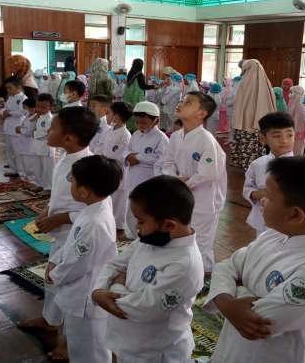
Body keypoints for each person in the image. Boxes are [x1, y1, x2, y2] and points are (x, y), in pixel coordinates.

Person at [205, 156, 305, 363]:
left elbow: (257, 321)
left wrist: (232, 289)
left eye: (270, 197)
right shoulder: (274, 234)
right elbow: (226, 266)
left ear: (295, 215)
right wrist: (230, 303)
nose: (263, 200)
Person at [92, 175, 204, 362]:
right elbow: (114, 264)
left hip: (154, 350)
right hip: (128, 338)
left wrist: (114, 289)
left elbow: (145, 308)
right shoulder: (151, 238)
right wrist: (99, 289)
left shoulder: (185, 264)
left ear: (169, 224)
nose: (137, 227)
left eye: (141, 221)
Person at [20, 107, 98, 358]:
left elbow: (93, 209)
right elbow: (61, 195)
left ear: (69, 138)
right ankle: (50, 320)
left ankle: (67, 342)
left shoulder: (88, 167)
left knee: (68, 285)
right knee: (52, 278)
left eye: (52, 127)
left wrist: (59, 218)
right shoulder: (65, 157)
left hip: (77, 234)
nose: (47, 131)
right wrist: (47, 210)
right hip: (62, 230)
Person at [47, 155, 120, 363]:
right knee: (82, 345)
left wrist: (55, 274)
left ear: (84, 191)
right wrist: (56, 260)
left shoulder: (93, 222)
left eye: (73, 180)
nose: (70, 182)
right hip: (84, 289)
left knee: (90, 350)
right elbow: (72, 244)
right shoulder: (98, 205)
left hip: (84, 297)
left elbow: (77, 264)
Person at [161, 92, 226, 276]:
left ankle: (204, 278)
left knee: (201, 241)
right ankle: (184, 273)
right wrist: (173, 178)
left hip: (204, 201)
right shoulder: (176, 136)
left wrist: (185, 183)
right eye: (181, 100)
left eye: (188, 103)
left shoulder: (207, 140)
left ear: (201, 114)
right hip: (181, 196)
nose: (181, 103)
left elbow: (208, 173)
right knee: (182, 237)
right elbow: (167, 163)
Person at [123, 101, 169, 239]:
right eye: (138, 123)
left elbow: (163, 159)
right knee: (131, 213)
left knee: (146, 212)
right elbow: (127, 150)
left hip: (148, 180)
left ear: (156, 121)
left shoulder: (161, 138)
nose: (140, 126)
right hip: (133, 178)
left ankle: (146, 237)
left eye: (144, 123)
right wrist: (128, 156)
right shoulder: (136, 134)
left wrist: (139, 158)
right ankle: (135, 236)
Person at [243, 112, 295, 235]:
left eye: (289, 135)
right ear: (263, 138)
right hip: (262, 220)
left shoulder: (302, 167)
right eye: (277, 136)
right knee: (263, 250)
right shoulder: (257, 165)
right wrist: (259, 194)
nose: (284, 140)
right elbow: (247, 188)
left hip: (289, 224)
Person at [231, 60, 276, 170]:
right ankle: (255, 165)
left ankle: (245, 163)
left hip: (245, 122)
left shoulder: (245, 83)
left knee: (247, 142)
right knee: (257, 144)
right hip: (260, 122)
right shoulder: (266, 83)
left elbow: (238, 101)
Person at [99, 102, 132, 231]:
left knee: (119, 201)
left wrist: (102, 159)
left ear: (116, 117)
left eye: (108, 113)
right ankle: (108, 221)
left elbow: (116, 156)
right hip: (106, 169)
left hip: (117, 171)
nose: (106, 116)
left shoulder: (125, 135)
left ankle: (118, 226)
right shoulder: (109, 131)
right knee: (109, 198)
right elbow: (102, 148)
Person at [0, 77, 27, 178]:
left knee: (18, 150)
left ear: (18, 87)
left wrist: (9, 113)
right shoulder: (10, 97)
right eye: (7, 88)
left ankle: (21, 171)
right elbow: (4, 108)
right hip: (8, 126)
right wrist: (3, 112)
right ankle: (13, 168)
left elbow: (23, 112)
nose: (8, 90)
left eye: (10, 88)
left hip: (17, 126)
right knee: (9, 150)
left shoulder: (23, 98)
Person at [29, 93, 56, 189]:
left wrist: (34, 133)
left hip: (46, 148)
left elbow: (47, 133)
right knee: (37, 167)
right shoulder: (38, 117)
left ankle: (49, 187)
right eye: (38, 107)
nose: (39, 109)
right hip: (37, 146)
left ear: (51, 108)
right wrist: (33, 120)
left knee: (48, 169)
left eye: (43, 107)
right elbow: (30, 127)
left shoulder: (50, 119)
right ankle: (39, 183)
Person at [123, 59, 156, 132]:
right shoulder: (139, 74)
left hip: (129, 98)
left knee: (130, 113)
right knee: (137, 114)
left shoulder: (130, 73)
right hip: (137, 98)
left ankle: (128, 129)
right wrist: (153, 86)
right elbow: (143, 86)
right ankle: (135, 130)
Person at [17, 97, 39, 182]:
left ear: (32, 108)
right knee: (25, 166)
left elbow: (30, 131)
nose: (23, 110)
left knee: (30, 168)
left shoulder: (35, 118)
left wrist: (20, 130)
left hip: (30, 146)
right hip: (24, 145)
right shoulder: (27, 116)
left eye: (25, 107)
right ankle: (26, 181)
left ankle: (32, 183)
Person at [287, 85, 305, 156]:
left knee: (297, 146)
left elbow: (297, 118)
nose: (290, 94)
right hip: (291, 126)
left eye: (292, 92)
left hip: (297, 128)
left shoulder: (299, 103)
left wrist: (293, 128)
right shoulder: (292, 101)